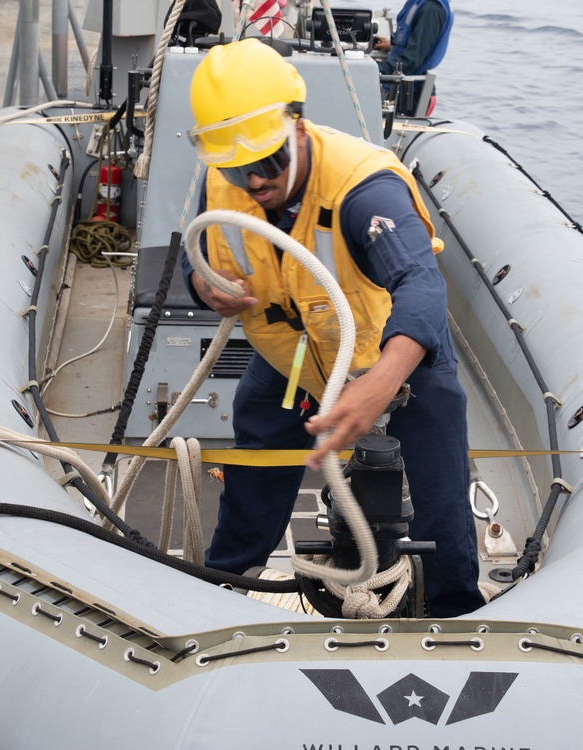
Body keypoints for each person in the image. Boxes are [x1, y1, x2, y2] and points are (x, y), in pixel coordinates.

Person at [183, 39, 484, 618]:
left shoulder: (364, 188)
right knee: (257, 459)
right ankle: (219, 588)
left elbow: (421, 285)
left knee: (439, 492)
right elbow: (194, 265)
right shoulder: (224, 183)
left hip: (394, 360)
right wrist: (207, 290)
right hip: (293, 359)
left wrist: (378, 385)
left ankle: (454, 610)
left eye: (265, 160)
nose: (252, 179)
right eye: (235, 165)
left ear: (298, 127)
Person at [373, 0, 453, 115]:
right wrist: (391, 46)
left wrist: (371, 68)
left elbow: (409, 62)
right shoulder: (419, 3)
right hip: (401, 86)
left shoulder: (431, 9)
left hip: (410, 94)